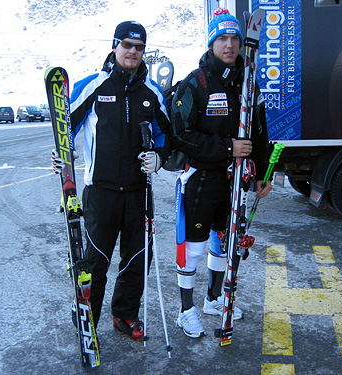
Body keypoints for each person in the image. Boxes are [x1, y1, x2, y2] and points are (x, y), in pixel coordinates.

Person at [51, 21, 170, 341]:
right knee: (95, 261)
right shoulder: (93, 87)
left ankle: (126, 315)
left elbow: (167, 136)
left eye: (139, 47)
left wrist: (158, 157)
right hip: (100, 191)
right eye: (127, 45)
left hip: (138, 192)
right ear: (115, 46)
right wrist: (63, 154)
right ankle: (88, 317)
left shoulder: (152, 92)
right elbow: (66, 130)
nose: (133, 51)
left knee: (136, 259)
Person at [169, 8, 272, 338]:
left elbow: (258, 131)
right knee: (194, 247)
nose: (229, 45)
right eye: (222, 38)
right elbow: (181, 134)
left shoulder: (248, 80)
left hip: (235, 181)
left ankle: (214, 299)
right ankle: (186, 310)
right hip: (202, 179)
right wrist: (228, 148)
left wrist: (263, 172)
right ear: (212, 42)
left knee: (224, 243)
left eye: (235, 39)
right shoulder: (196, 83)